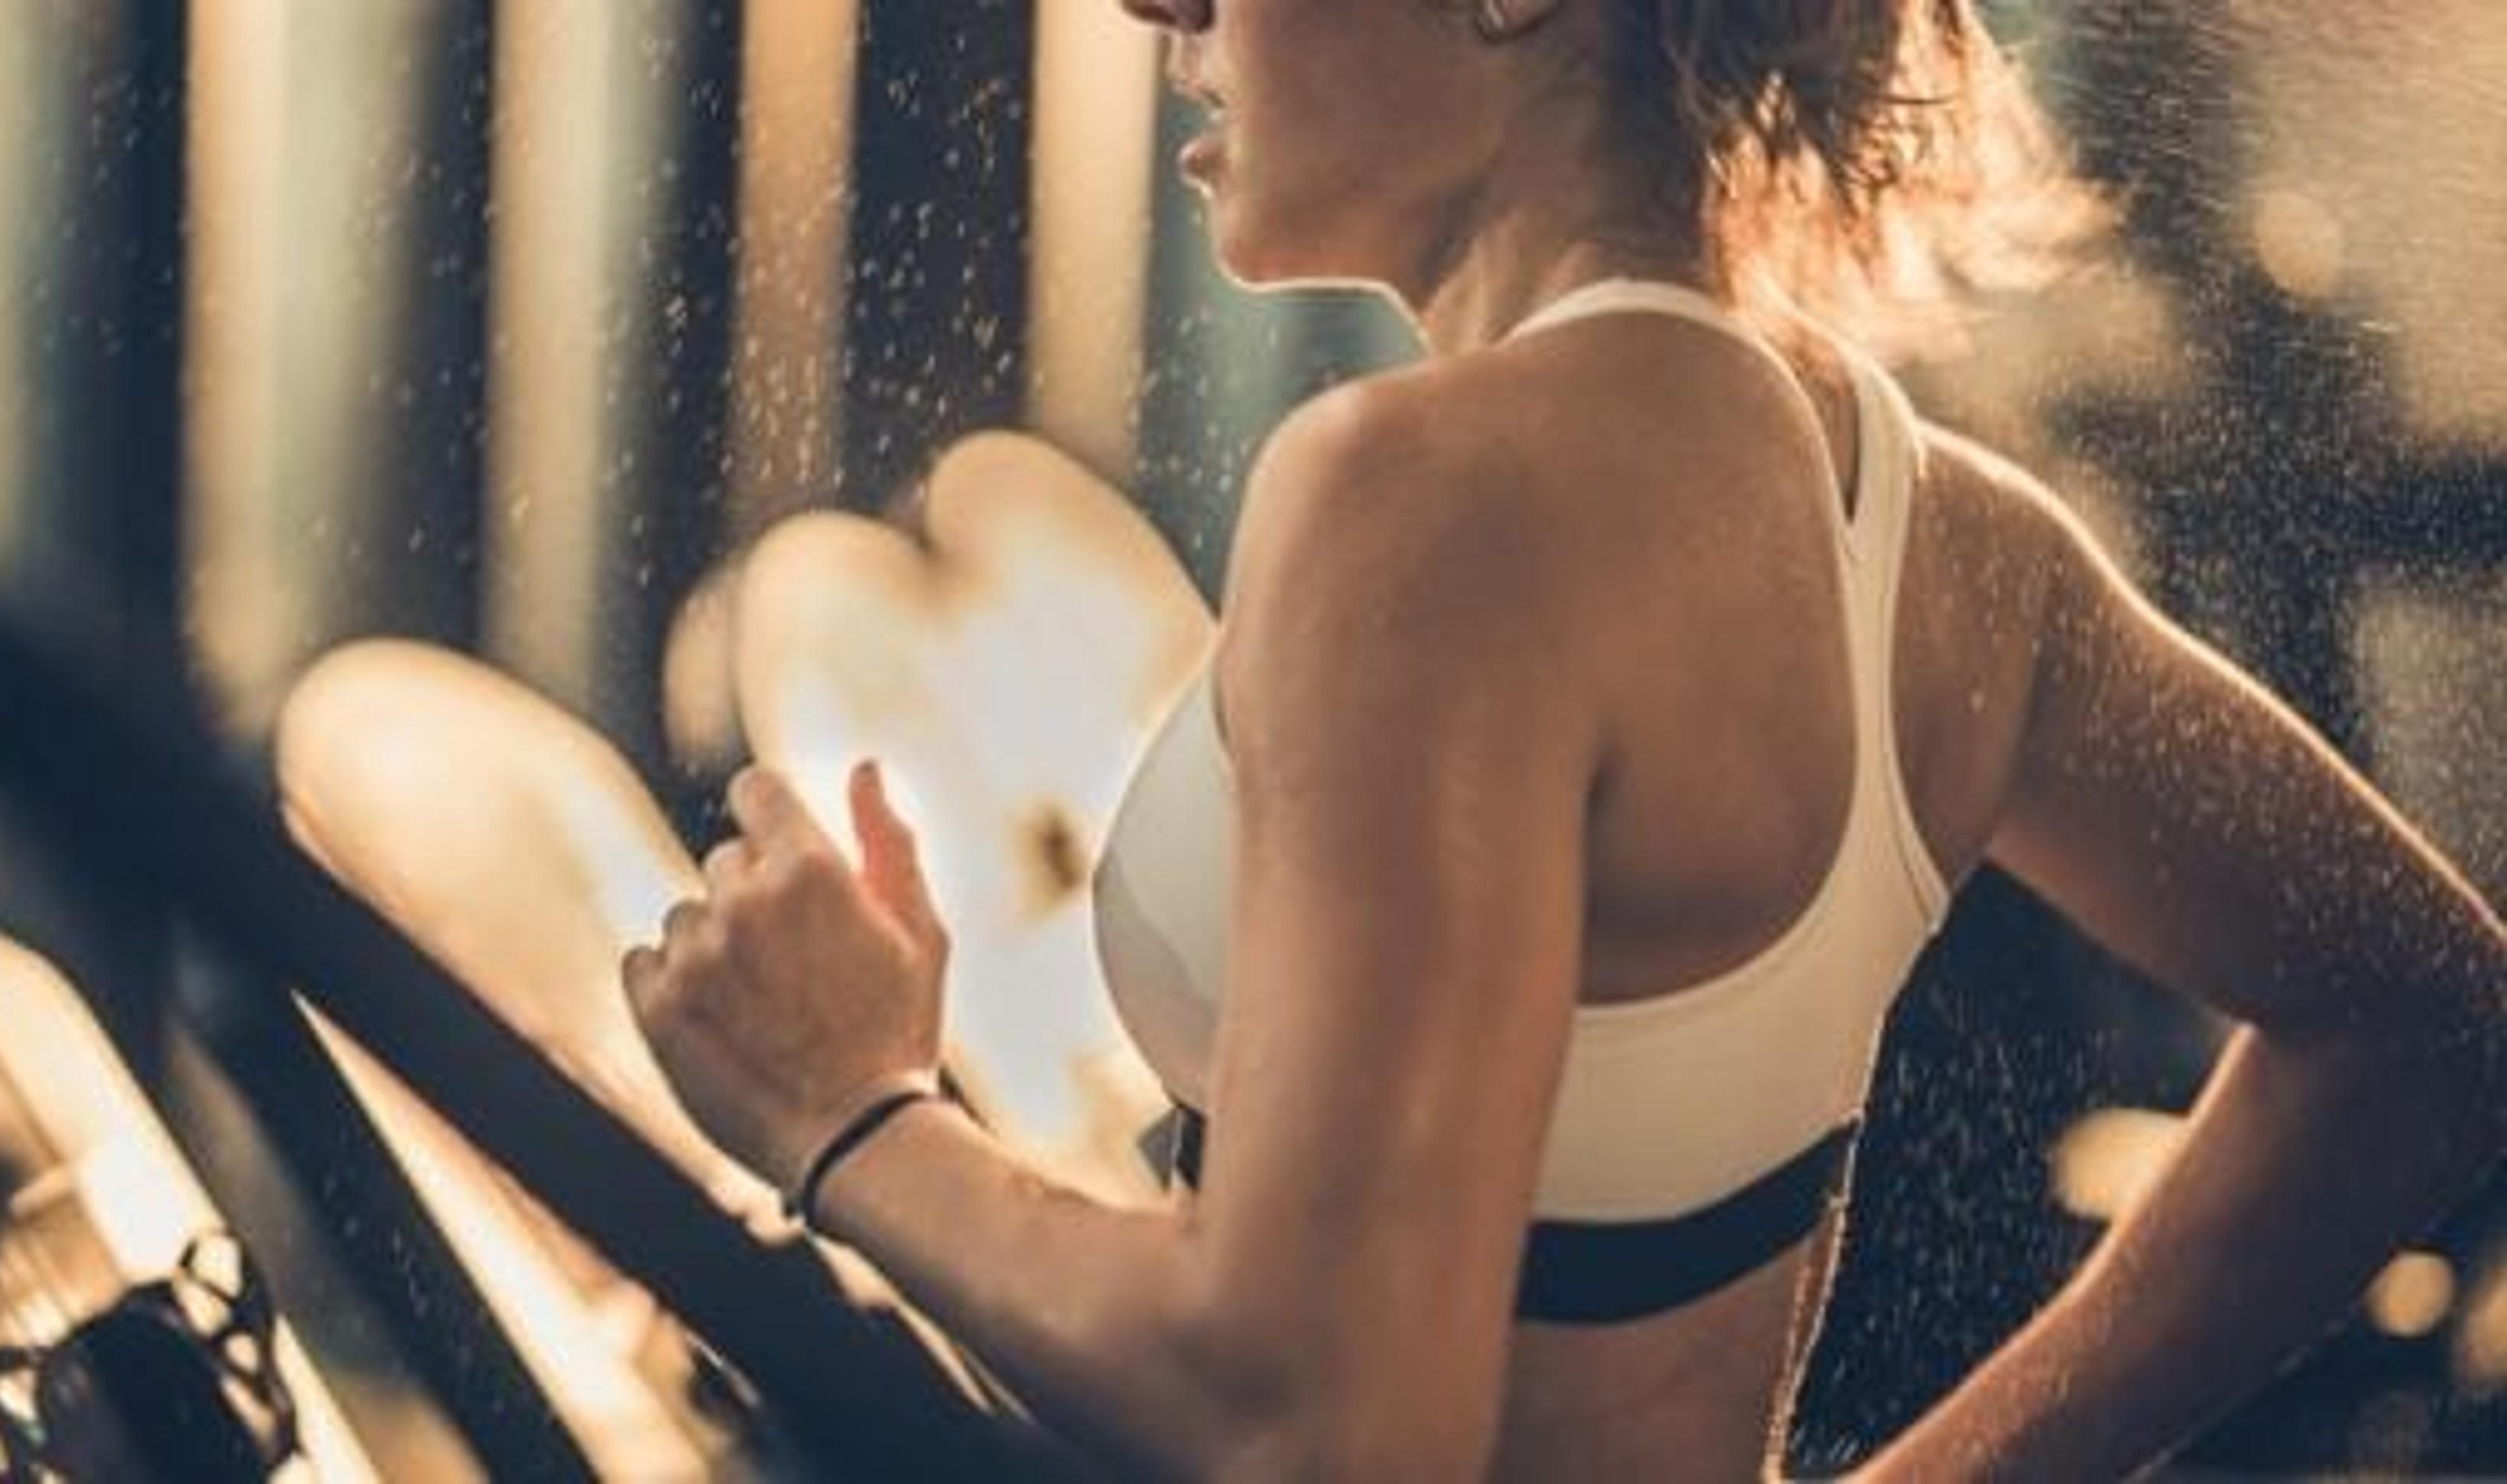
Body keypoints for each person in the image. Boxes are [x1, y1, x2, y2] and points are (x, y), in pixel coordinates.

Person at [615, 0, 2507, 1476]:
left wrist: (848, 1113)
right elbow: (2428, 1019)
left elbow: (1320, 1430)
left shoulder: (1419, 496)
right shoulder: (1947, 555)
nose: (1156, 11)